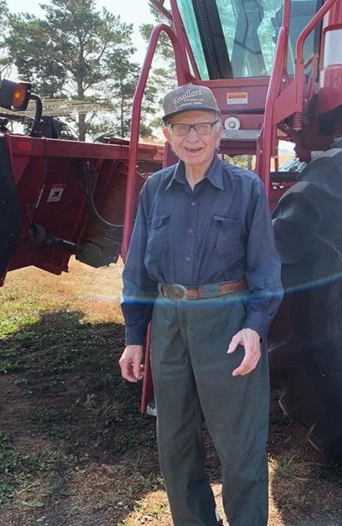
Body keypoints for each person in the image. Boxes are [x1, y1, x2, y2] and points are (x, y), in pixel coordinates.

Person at [118, 83, 283, 526]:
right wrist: (135, 337)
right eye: (181, 127)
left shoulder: (245, 189)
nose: (193, 137)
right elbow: (137, 270)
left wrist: (255, 326)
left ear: (218, 130)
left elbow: (266, 270)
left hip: (226, 323)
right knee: (174, 443)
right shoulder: (154, 190)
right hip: (169, 324)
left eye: (203, 127)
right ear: (168, 133)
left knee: (239, 443)